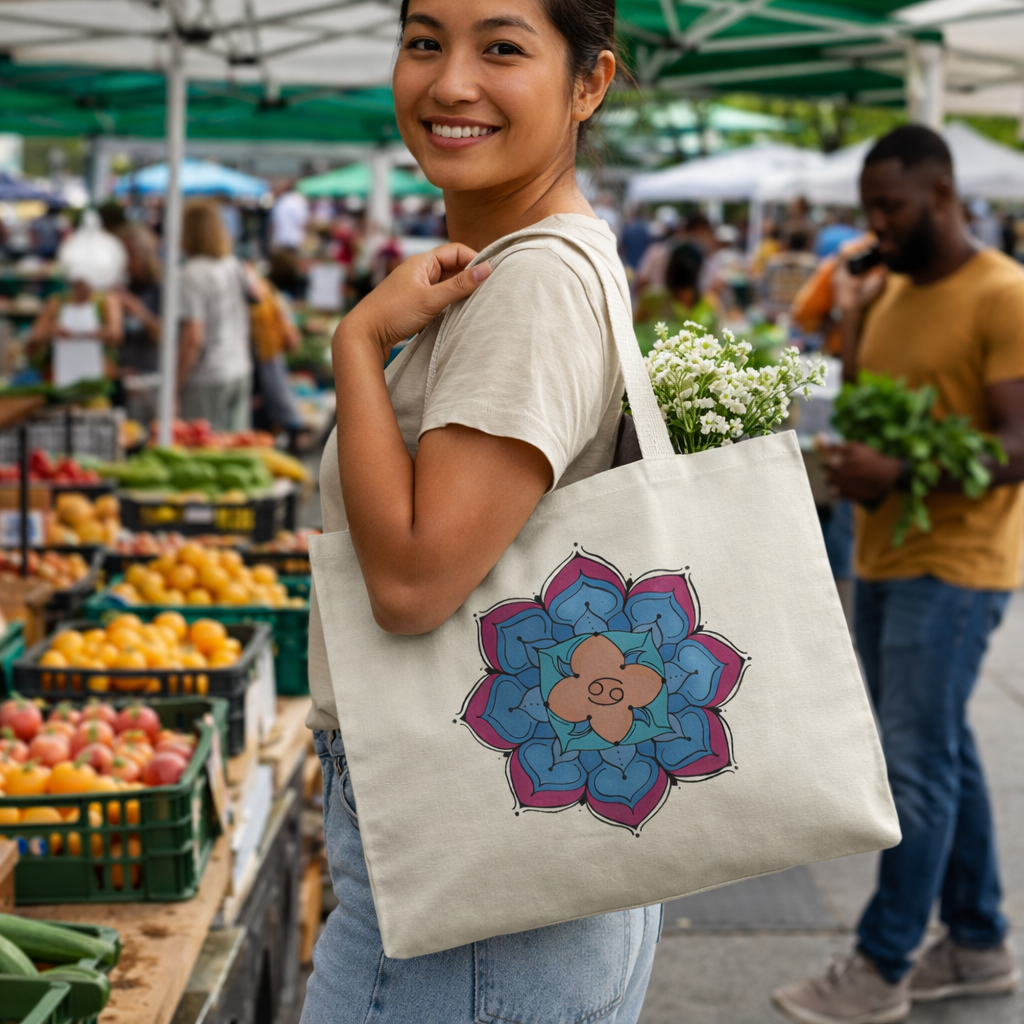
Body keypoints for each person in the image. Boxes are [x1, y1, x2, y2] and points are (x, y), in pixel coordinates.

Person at [301, 2, 660, 1022]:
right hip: (518, 852)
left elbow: (414, 583)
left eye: (501, 48)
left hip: (467, 871)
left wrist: (356, 348)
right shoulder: (545, 259)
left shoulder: (532, 283)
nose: (449, 82)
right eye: (424, 42)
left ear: (588, 84)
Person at [774, 125, 1024, 1024]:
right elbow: (853, 389)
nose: (874, 224)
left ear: (943, 195)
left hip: (958, 566)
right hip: (883, 552)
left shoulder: (1003, 294)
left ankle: (880, 967)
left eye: (892, 206)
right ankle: (980, 942)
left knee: (911, 766)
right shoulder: (886, 293)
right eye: (868, 207)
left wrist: (902, 474)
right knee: (940, 751)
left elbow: (1018, 444)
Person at [177, 199, 253, 431]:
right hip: (239, 366)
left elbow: (193, 337)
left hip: (207, 376)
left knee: (207, 454)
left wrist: (175, 383)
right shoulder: (232, 264)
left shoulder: (190, 273)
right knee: (235, 453)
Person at [114, 222, 162, 424]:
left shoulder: (160, 288)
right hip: (122, 380)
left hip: (150, 382)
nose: (125, 262)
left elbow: (164, 335)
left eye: (130, 254)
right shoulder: (119, 286)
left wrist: (137, 310)